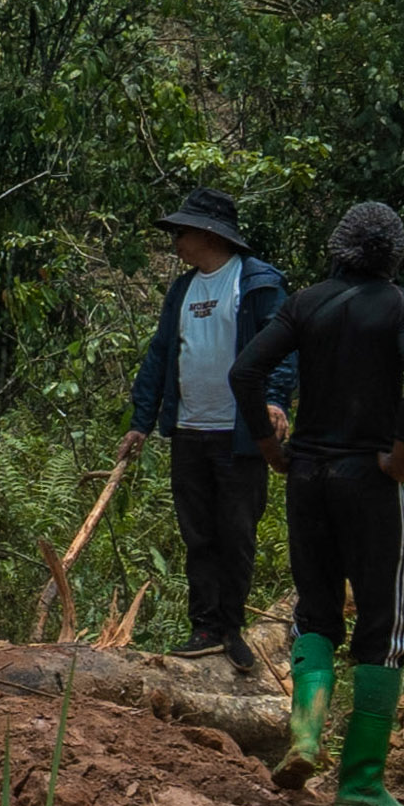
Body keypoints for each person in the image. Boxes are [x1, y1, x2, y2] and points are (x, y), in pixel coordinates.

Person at [269, 196, 404, 806]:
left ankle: (305, 736)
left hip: (306, 477)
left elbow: (246, 372)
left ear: (337, 246)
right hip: (368, 481)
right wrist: (399, 457)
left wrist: (272, 447)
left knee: (316, 610)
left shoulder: (305, 303)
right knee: (386, 629)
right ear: (396, 254)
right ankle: (362, 784)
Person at [118, 188, 291, 686]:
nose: (176, 241)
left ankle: (232, 629)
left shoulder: (257, 284)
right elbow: (160, 357)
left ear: (210, 235)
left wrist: (276, 401)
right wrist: (140, 422)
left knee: (236, 533)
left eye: (182, 232)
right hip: (190, 430)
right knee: (198, 534)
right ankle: (204, 628)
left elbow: (283, 348)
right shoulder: (182, 290)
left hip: (239, 436)